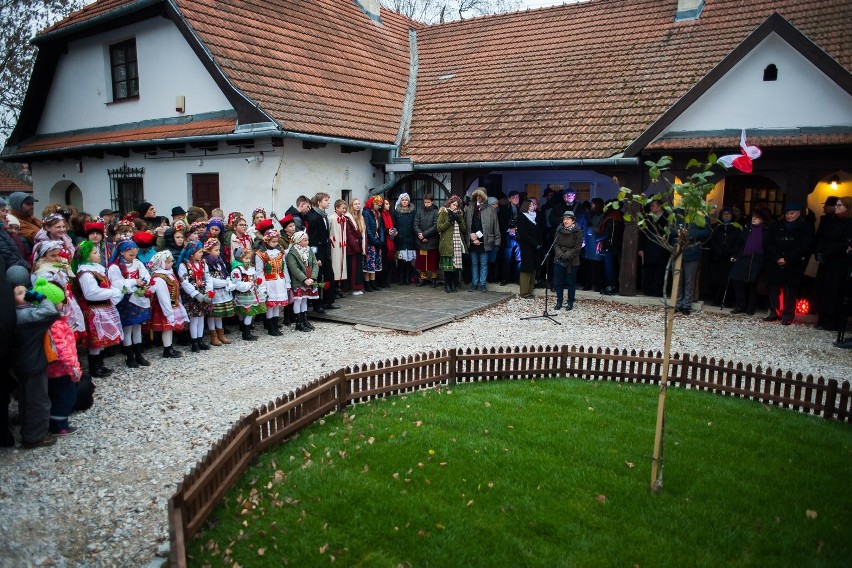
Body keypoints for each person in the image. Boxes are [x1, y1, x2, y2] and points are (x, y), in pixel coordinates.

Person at [11, 278, 60, 448]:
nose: (25, 294)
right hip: (34, 362)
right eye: (19, 293)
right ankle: (35, 436)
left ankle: (28, 432)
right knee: (38, 400)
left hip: (22, 362)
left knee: (27, 398)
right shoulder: (26, 315)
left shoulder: (14, 315)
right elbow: (52, 312)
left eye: (26, 290)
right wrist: (40, 297)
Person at [33, 277, 82, 436]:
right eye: (61, 301)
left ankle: (51, 422)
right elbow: (63, 349)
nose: (63, 304)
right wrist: (73, 367)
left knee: (52, 395)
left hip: (48, 369)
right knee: (65, 396)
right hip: (62, 369)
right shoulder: (56, 325)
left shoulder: (40, 322)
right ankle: (60, 425)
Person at [73, 240, 124, 377]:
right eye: (95, 253)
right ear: (87, 256)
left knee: (101, 342)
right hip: (94, 310)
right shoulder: (86, 273)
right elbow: (91, 293)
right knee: (95, 343)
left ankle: (100, 365)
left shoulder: (95, 270)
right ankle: (95, 368)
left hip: (102, 308)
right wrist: (112, 292)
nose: (99, 255)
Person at [764, 204, 814, 325]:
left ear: (798, 213)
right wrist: (777, 257)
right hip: (776, 261)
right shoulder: (776, 226)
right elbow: (768, 243)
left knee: (789, 290)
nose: (789, 216)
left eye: (792, 213)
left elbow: (805, 246)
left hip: (794, 263)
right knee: (774, 288)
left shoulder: (805, 227)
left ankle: (788, 315)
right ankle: (774, 312)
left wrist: (788, 259)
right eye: (787, 214)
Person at [108, 235, 152, 368]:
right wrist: (134, 282)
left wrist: (144, 283)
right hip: (126, 300)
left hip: (138, 298)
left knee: (138, 326)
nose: (133, 256)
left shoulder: (138, 263)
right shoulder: (115, 267)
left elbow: (146, 276)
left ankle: (139, 354)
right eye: (130, 254)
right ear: (121, 252)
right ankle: (129, 356)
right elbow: (117, 284)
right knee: (127, 328)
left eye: (134, 253)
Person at [813, 196, 852, 331]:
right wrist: (818, 252)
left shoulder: (849, 224)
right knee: (823, 290)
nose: (836, 207)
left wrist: (827, 253)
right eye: (836, 205)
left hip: (839, 263)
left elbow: (844, 243)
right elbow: (822, 237)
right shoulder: (830, 221)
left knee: (835, 292)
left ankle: (832, 321)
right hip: (826, 262)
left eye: (840, 205)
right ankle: (822, 318)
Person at [729, 209, 770, 315]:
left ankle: (750, 307)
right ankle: (740, 305)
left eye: (757, 217)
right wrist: (734, 255)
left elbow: (768, 247)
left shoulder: (766, 231)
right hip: (743, 259)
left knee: (753, 284)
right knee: (737, 281)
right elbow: (738, 243)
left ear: (762, 219)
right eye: (753, 216)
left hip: (757, 261)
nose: (754, 218)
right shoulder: (746, 229)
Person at [146, 250, 186, 358]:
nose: (171, 263)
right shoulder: (159, 278)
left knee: (169, 328)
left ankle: (169, 347)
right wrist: (168, 312)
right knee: (167, 328)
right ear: (161, 263)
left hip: (173, 304)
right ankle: (167, 349)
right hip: (164, 307)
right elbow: (163, 297)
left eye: (171, 261)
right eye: (168, 262)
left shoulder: (169, 274)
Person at [304, 192, 340, 311]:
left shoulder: (324, 215)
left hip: (325, 250)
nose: (328, 202)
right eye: (326, 200)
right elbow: (313, 240)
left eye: (328, 200)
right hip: (318, 251)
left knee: (329, 274)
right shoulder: (314, 217)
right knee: (318, 277)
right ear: (319, 202)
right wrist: (316, 257)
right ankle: (317, 304)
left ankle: (328, 301)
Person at [177, 241, 214, 351]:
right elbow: (184, 282)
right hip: (192, 295)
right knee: (194, 319)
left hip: (203, 292)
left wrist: (209, 291)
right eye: (199, 252)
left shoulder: (203, 263)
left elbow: (208, 278)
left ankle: (200, 339)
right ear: (191, 254)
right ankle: (194, 342)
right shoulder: (184, 266)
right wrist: (195, 294)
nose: (201, 253)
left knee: (201, 317)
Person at [255, 228, 290, 336]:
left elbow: (284, 268)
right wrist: (262, 286)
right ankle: (270, 327)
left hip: (279, 281)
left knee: (277, 305)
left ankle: (275, 326)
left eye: (276, 241)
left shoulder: (280, 252)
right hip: (269, 283)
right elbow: (259, 272)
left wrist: (287, 282)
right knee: (270, 305)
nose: (275, 244)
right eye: (273, 242)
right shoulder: (261, 254)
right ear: (266, 241)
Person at [464, 188, 500, 292]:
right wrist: (471, 236)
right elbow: (466, 225)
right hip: (472, 240)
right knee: (474, 264)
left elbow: (495, 227)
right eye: (477, 196)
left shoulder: (491, 209)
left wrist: (497, 242)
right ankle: (475, 284)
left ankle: (483, 284)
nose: (479, 198)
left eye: (480, 196)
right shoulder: (470, 208)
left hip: (485, 241)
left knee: (484, 264)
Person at [674, 214, 711, 315]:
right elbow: (670, 229)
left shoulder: (701, 215)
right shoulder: (678, 212)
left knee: (689, 280)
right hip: (677, 251)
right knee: (678, 280)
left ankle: (686, 305)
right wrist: (679, 233)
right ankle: (677, 304)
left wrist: (689, 233)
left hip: (693, 251)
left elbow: (707, 232)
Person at [285, 231, 321, 332]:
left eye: (307, 240)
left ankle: (305, 320)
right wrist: (304, 279)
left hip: (309, 279)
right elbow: (294, 268)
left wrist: (312, 278)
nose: (307, 242)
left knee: (305, 299)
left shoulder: (309, 250)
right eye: (305, 240)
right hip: (299, 281)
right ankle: (298, 322)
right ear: (298, 241)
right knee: (298, 300)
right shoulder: (292, 252)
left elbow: (314, 264)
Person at [204, 238, 236, 346]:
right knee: (212, 315)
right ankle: (213, 335)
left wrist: (228, 281)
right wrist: (223, 283)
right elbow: (209, 279)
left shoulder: (219, 261)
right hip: (214, 291)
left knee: (219, 314)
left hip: (222, 290)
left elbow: (225, 273)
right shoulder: (207, 262)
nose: (218, 252)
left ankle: (220, 334)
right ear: (208, 251)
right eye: (216, 250)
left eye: (219, 250)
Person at [707, 207, 741, 306]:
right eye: (724, 214)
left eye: (729, 214)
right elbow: (712, 241)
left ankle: (728, 301)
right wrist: (718, 252)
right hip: (717, 258)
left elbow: (738, 243)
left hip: (730, 258)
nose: (726, 215)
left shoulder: (737, 228)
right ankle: (716, 300)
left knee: (729, 281)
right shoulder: (716, 227)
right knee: (716, 280)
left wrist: (733, 254)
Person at [230, 246, 264, 341]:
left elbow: (255, 277)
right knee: (246, 312)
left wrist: (257, 282)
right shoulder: (237, 270)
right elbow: (236, 283)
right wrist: (250, 284)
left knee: (249, 313)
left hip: (251, 293)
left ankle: (246, 329)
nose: (248, 260)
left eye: (249, 258)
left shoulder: (250, 268)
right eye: (246, 258)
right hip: (243, 295)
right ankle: (246, 332)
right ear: (240, 258)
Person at [639, 199, 671, 297]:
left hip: (662, 248)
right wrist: (640, 248)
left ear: (659, 207)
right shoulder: (648, 218)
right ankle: (647, 290)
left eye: (653, 205)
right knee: (648, 270)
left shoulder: (668, 218)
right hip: (648, 247)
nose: (651, 208)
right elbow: (642, 234)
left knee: (659, 270)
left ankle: (657, 291)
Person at [552, 210, 583, 310]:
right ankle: (559, 301)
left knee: (571, 282)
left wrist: (567, 255)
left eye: (568, 219)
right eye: (564, 219)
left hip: (572, 260)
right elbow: (555, 244)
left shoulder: (578, 231)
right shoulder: (559, 229)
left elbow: (578, 247)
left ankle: (570, 302)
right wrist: (560, 254)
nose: (565, 221)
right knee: (559, 282)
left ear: (573, 221)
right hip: (559, 258)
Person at [437, 195, 467, 293]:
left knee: (456, 267)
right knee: (447, 267)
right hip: (447, 242)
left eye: (457, 206)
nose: (455, 207)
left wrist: (459, 220)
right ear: (449, 204)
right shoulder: (443, 213)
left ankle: (454, 284)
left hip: (457, 242)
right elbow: (439, 228)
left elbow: (464, 230)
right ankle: (447, 285)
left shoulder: (460, 214)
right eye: (454, 205)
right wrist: (449, 221)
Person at [597, 201, 624, 295]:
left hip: (609, 247)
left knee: (609, 269)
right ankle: (613, 286)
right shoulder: (619, 216)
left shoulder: (611, 218)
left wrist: (597, 238)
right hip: (615, 247)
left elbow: (607, 234)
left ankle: (610, 287)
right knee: (613, 268)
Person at [414, 193, 440, 287]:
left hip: (432, 241)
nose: (426, 204)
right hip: (421, 241)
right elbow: (415, 224)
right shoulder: (419, 211)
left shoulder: (436, 212)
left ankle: (434, 279)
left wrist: (424, 235)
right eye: (425, 202)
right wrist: (420, 235)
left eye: (428, 202)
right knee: (421, 262)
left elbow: (435, 226)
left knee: (432, 261)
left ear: (432, 202)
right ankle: (423, 278)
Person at [517, 199, 541, 298]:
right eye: (530, 205)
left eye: (533, 204)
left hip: (536, 247)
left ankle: (530, 290)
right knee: (526, 268)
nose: (532, 206)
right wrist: (534, 243)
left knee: (534, 268)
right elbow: (523, 234)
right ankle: (524, 292)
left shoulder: (536, 216)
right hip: (527, 246)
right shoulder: (522, 216)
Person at [393, 193, 417, 286]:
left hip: (410, 238)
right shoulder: (396, 212)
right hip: (400, 238)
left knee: (408, 261)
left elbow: (415, 223)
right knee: (400, 260)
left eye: (406, 200)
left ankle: (408, 278)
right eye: (403, 200)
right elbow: (394, 224)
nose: (404, 202)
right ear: (400, 201)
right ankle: (401, 279)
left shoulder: (413, 211)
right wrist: (396, 233)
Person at [499, 191, 522, 285]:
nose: (516, 199)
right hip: (508, 236)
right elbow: (500, 222)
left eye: (517, 197)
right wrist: (508, 229)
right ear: (509, 199)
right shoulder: (504, 209)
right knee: (507, 259)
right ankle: (505, 278)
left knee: (519, 259)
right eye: (513, 197)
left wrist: (517, 229)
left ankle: (517, 278)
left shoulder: (521, 209)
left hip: (519, 236)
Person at [362, 196, 385, 292]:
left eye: (380, 205)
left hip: (377, 240)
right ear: (372, 203)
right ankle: (367, 284)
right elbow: (367, 229)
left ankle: (373, 282)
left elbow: (380, 229)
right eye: (377, 205)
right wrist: (374, 242)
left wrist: (381, 240)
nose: (378, 207)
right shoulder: (366, 212)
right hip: (370, 242)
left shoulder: (378, 213)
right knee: (369, 264)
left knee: (375, 263)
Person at [344, 199, 365, 295]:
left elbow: (363, 232)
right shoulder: (348, 218)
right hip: (352, 248)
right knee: (353, 269)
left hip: (359, 246)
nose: (357, 205)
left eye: (358, 203)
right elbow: (349, 234)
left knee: (358, 268)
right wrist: (356, 246)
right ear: (351, 205)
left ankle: (358, 287)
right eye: (355, 204)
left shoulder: (360, 217)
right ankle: (353, 288)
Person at [0, 197, 28, 269]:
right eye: (3, 211)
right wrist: (28, 267)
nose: (8, 219)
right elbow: (11, 259)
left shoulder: (3, 232)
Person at [328, 199, 349, 294]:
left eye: (345, 208)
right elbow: (329, 231)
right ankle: (334, 288)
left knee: (341, 266)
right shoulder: (332, 218)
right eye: (342, 208)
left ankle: (338, 287)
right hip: (335, 245)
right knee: (335, 265)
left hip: (342, 245)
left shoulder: (344, 219)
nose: (344, 210)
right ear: (336, 208)